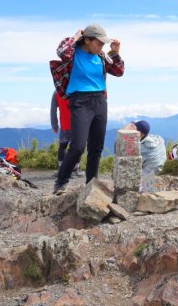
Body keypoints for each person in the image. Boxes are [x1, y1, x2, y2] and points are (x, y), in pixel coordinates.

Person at [52, 23, 125, 195]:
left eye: (103, 44)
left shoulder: (100, 56)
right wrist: (74, 38)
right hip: (80, 101)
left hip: (100, 100)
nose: (102, 47)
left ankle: (92, 184)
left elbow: (119, 71)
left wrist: (115, 52)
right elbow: (62, 52)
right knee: (77, 146)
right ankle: (61, 183)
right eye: (99, 43)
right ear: (87, 40)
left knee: (96, 146)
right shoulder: (73, 53)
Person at [50, 90, 82, 177]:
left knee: (63, 146)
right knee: (78, 147)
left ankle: (61, 169)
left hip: (65, 125)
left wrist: (54, 124)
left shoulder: (57, 92)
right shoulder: (78, 89)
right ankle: (75, 169)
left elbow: (53, 109)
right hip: (79, 124)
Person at [133, 120, 167, 192]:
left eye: (134, 130)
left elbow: (135, 164)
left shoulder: (141, 148)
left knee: (137, 188)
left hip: (149, 171)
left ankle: (147, 191)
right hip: (161, 165)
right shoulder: (157, 138)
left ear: (140, 133)